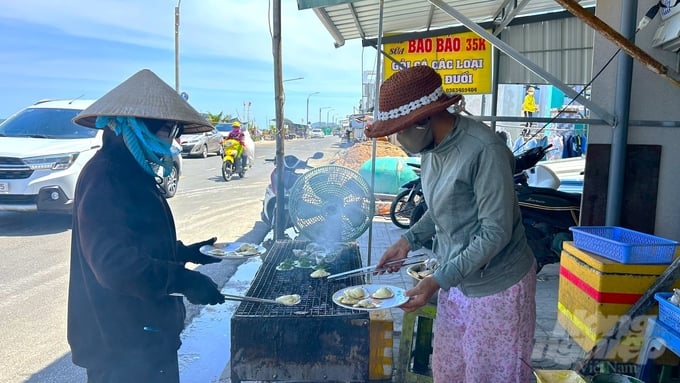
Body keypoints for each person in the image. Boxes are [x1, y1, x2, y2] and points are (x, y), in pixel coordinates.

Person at [365, 66, 536, 383]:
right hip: (456, 279)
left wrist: (436, 280)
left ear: (422, 120)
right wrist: (408, 241)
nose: (397, 139)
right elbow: (443, 205)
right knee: (450, 370)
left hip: (497, 287)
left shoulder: (484, 150)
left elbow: (495, 232)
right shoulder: (432, 149)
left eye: (399, 130)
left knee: (488, 375)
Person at [68, 69, 226, 383]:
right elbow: (116, 266)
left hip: (147, 338)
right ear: (136, 127)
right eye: (167, 132)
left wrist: (185, 252)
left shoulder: (130, 169)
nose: (173, 141)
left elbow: (138, 241)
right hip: (121, 347)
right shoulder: (106, 176)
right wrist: (185, 280)